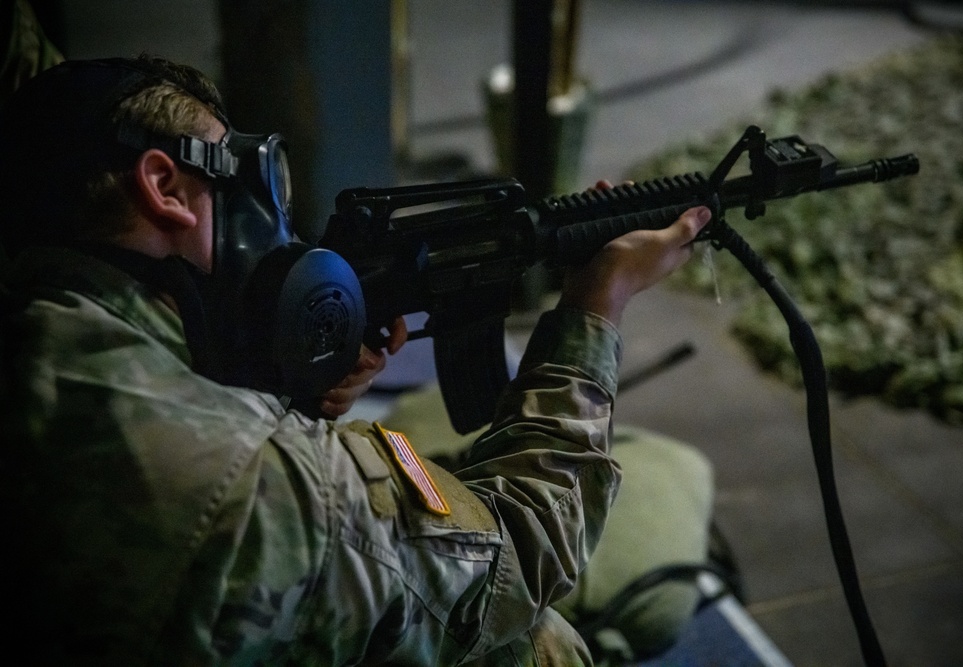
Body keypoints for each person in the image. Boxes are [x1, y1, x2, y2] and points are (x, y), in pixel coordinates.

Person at [0, 55, 711, 665]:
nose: (277, 226)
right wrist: (595, 308)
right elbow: (520, 559)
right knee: (531, 643)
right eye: (255, 186)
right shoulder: (261, 480)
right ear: (165, 187)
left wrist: (290, 394)